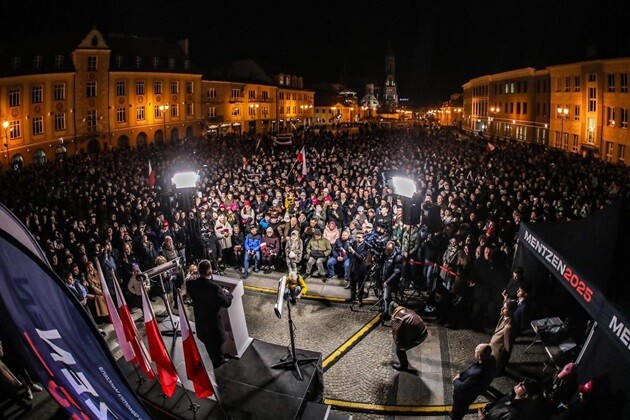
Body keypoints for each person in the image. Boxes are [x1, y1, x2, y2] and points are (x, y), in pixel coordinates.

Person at [185, 259, 234, 368]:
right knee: (216, 343)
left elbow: (188, 281)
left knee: (208, 341)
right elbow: (226, 303)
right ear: (210, 272)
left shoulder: (191, 284)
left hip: (201, 320)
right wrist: (229, 294)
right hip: (213, 323)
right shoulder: (214, 288)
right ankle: (218, 361)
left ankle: (215, 358)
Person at [450, 343, 497, 420]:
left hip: (463, 398)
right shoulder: (492, 359)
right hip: (476, 390)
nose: (474, 352)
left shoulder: (476, 373)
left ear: (479, 356)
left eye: (475, 352)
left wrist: (455, 381)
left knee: (459, 410)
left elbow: (462, 387)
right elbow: (472, 368)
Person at [388, 301, 428, 372]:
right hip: (424, 331)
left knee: (399, 350)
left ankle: (403, 366)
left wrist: (399, 345)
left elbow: (397, 333)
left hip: (419, 337)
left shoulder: (396, 318)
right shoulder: (407, 310)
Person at [478, 378, 542, 420]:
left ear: (525, 395)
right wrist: (491, 407)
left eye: (522, 386)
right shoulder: (513, 395)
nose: (519, 383)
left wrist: (483, 418)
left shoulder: (513, 414)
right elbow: (502, 403)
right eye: (522, 382)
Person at [489, 299, 516, 376]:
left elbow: (508, 346)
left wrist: (503, 358)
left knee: (494, 369)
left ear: (511, 311)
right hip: (493, 347)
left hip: (498, 351)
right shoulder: (503, 317)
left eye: (505, 308)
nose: (502, 309)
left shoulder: (509, 327)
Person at [381, 240, 403, 321]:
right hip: (385, 278)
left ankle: (387, 312)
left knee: (387, 297)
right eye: (387, 248)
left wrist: (388, 281)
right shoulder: (387, 254)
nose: (387, 250)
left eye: (389, 249)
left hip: (391, 281)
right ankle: (386, 310)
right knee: (385, 297)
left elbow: (397, 272)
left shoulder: (397, 257)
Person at [346, 231, 369, 306]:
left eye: (359, 237)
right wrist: (348, 252)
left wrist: (353, 252)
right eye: (356, 237)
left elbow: (361, 257)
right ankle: (352, 297)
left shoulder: (366, 246)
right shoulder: (354, 244)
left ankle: (360, 300)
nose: (357, 239)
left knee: (360, 286)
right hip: (353, 266)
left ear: (363, 238)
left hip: (360, 268)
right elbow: (349, 254)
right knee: (352, 283)